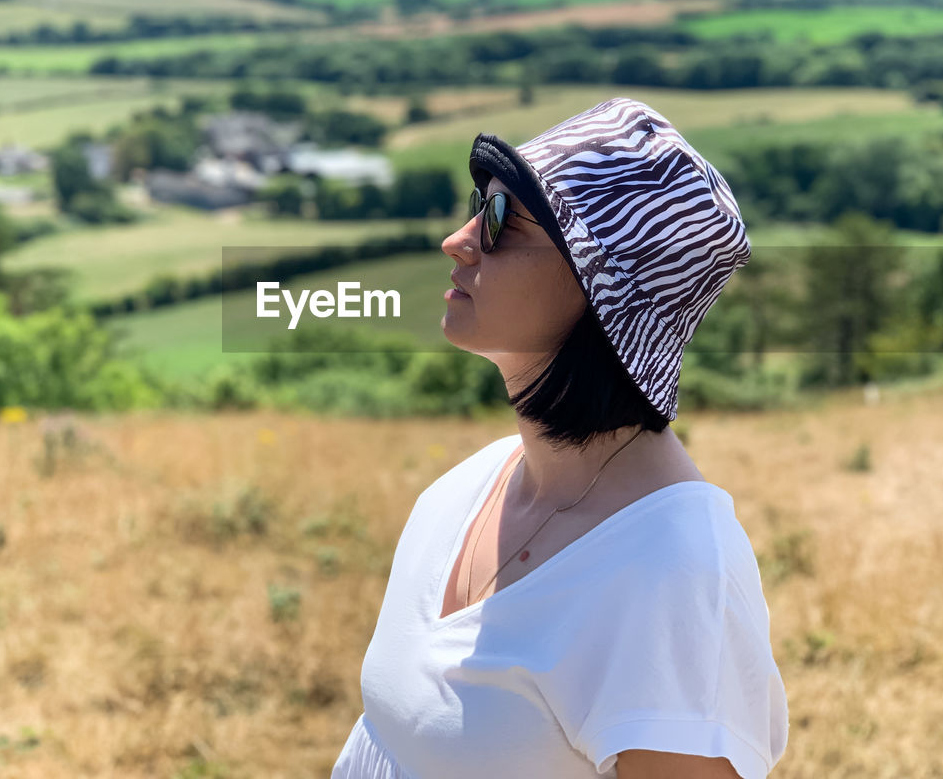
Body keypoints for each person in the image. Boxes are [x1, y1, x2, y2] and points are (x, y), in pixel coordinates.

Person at [331, 97, 789, 779]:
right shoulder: (467, 487)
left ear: (604, 290)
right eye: (476, 202)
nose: (458, 240)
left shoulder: (674, 572)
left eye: (499, 220)